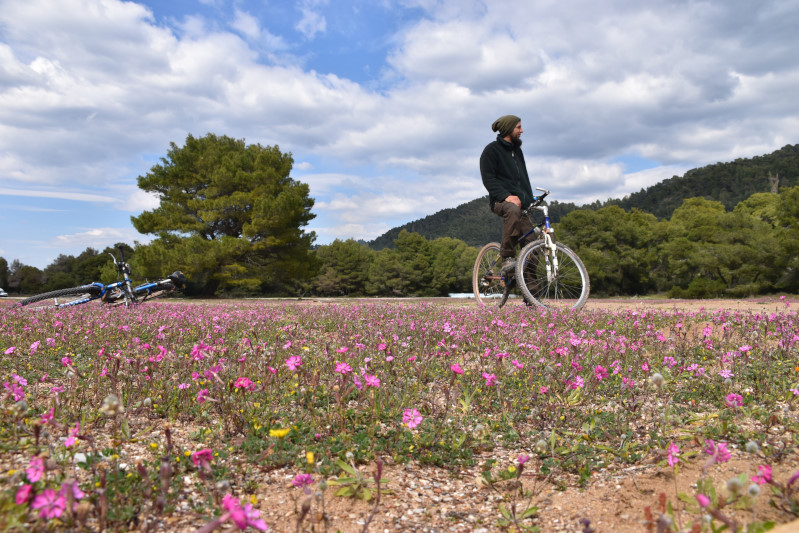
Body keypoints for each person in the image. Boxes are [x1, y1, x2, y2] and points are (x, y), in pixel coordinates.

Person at [480, 115, 535, 269]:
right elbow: (488, 179)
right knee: (513, 210)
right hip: (500, 201)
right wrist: (506, 196)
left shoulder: (518, 152)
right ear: (508, 129)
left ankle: (530, 291)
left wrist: (529, 200)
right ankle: (508, 257)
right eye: (518, 127)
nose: (522, 130)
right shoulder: (491, 150)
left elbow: (524, 179)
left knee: (533, 246)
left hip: (521, 205)